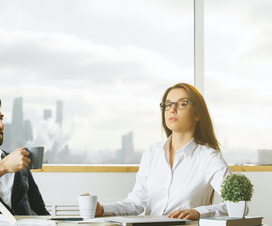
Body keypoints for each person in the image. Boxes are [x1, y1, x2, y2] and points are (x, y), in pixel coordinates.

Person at [95, 83, 231, 220]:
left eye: (182, 104)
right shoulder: (152, 153)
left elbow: (237, 204)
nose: (172, 109)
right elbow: (136, 204)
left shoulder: (209, 157)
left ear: (197, 114)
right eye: (168, 104)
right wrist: (102, 210)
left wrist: (198, 212)